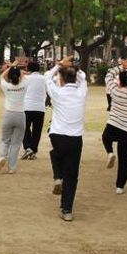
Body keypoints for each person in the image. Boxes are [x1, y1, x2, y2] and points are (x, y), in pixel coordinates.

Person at [45, 56, 88, 221]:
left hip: (57, 135)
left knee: (55, 154)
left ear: (61, 79)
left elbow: (46, 77)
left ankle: (57, 176)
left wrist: (59, 65)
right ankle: (67, 209)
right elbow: (83, 78)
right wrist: (74, 67)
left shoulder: (57, 92)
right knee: (72, 175)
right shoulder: (81, 92)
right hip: (75, 138)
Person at [102, 58, 127, 194]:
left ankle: (110, 152)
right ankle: (120, 186)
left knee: (105, 138)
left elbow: (108, 76)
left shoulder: (115, 92)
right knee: (125, 160)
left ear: (120, 81)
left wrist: (121, 67)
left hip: (113, 124)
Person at [0, 60, 28, 174]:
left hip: (8, 114)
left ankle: (2, 156)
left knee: (5, 140)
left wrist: (11, 67)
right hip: (20, 115)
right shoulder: (24, 84)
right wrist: (17, 68)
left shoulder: (6, 86)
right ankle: (12, 167)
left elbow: (1, 76)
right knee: (16, 143)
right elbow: (23, 76)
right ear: (19, 76)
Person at [21, 60, 46, 160]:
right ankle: (33, 149)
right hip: (40, 107)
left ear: (28, 69)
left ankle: (28, 147)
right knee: (37, 130)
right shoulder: (43, 78)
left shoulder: (25, 78)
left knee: (25, 128)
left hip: (27, 106)